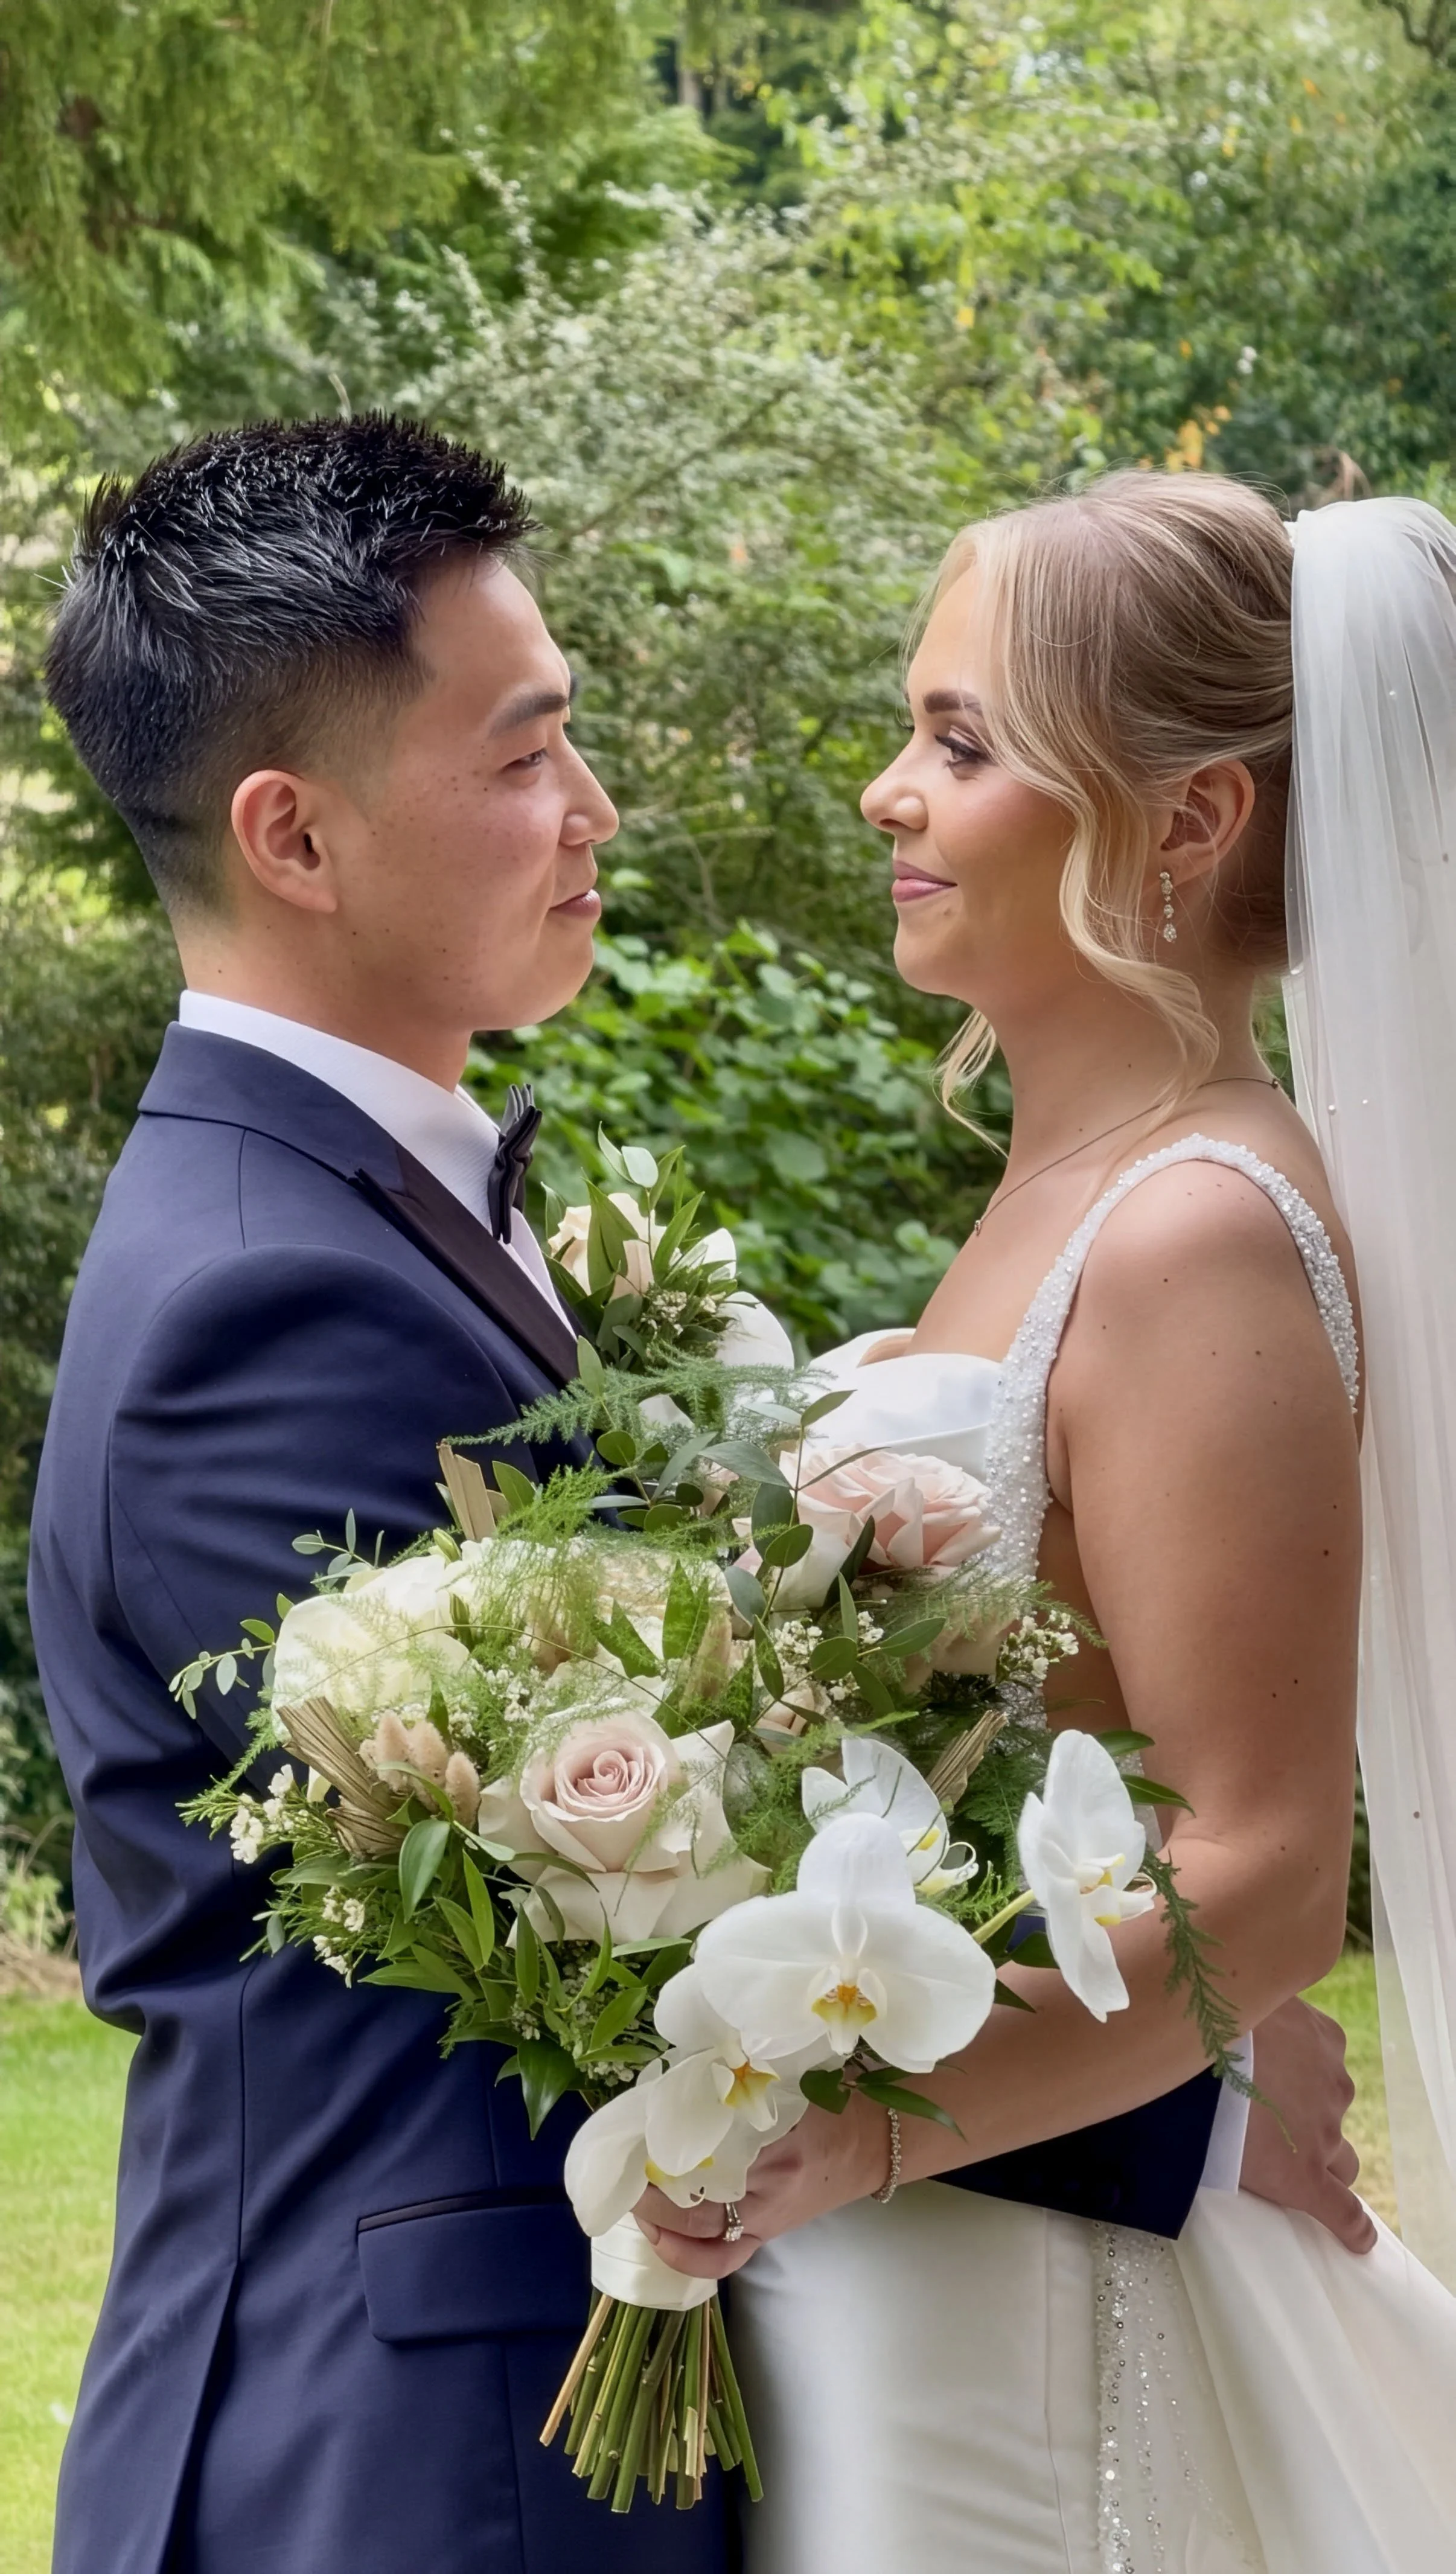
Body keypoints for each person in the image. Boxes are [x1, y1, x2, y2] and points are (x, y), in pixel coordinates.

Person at [30, 421, 1362, 2574]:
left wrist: (1182, 2039)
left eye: (959, 735)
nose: (596, 808)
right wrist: (1182, 2104)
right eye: (524, 753)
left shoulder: (367, 1222)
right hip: (411, 2461)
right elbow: (569, 1938)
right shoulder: (263, 1297)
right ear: (295, 836)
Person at [636, 473, 1456, 2572]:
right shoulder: (1053, 1197)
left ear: (1185, 823)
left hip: (1006, 2317)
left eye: (962, 741)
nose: (887, 792)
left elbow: (1257, 1872)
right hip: (892, 2265)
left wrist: (845, 2125)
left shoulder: (1192, 1235)